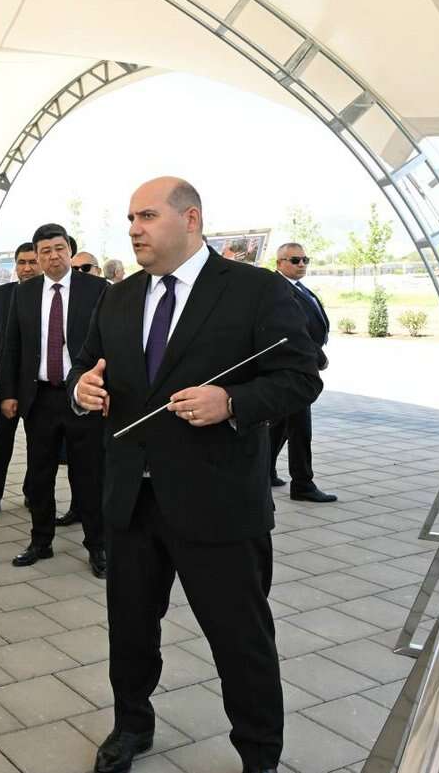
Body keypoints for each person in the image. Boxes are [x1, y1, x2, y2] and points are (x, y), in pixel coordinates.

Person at [69, 177, 321, 773]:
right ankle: (131, 725)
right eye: (131, 218)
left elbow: (301, 376)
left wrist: (232, 402)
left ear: (190, 219)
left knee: (241, 640)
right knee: (130, 632)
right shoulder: (118, 297)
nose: (134, 229)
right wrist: (82, 391)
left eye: (147, 216)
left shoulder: (255, 290)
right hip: (132, 502)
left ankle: (259, 754)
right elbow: (87, 367)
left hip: (219, 504)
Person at [0, 223, 109, 577]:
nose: (53, 256)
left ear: (70, 251)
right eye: (45, 251)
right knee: (39, 474)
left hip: (83, 398)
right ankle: (40, 541)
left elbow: (112, 342)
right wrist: (7, 393)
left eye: (59, 248)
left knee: (88, 474)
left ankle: (98, 546)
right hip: (40, 398)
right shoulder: (25, 293)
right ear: (37, 256)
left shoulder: (97, 290)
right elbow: (11, 345)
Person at [270, 242, 336, 502]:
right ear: (279, 263)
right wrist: (318, 357)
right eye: (295, 260)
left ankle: (265, 471)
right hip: (293, 366)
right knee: (300, 427)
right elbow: (293, 330)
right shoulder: (278, 289)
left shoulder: (297, 287)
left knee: (281, 423)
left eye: (305, 260)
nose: (301, 265)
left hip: (301, 363)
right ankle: (303, 484)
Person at [0, 242, 40, 520]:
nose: (26, 268)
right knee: (1, 441)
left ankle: (32, 492)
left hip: (38, 384)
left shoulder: (47, 294)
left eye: (32, 262)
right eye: (21, 262)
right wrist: (8, 375)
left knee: (37, 443)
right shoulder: (1, 294)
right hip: (8, 382)